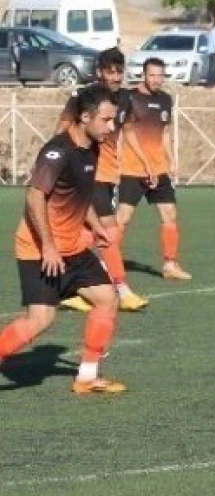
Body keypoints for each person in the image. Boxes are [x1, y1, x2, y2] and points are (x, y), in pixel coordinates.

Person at [0, 85, 126, 394]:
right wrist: (48, 246)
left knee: (107, 299)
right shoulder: (58, 151)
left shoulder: (92, 148)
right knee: (39, 320)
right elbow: (34, 196)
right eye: (106, 120)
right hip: (41, 250)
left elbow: (79, 196)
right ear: (85, 117)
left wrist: (95, 225)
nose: (111, 127)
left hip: (73, 247)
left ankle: (86, 377)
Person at [55, 49, 148, 313]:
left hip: (108, 174)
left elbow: (127, 132)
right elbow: (61, 129)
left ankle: (67, 289)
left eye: (120, 71)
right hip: (86, 173)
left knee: (83, 234)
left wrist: (143, 161)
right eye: (111, 71)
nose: (116, 76)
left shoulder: (125, 99)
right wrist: (56, 163)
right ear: (99, 72)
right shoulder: (85, 98)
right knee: (108, 231)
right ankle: (122, 289)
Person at [116, 58, 192, 281]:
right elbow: (128, 133)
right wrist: (145, 163)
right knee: (124, 217)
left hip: (159, 170)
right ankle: (107, 262)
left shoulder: (166, 99)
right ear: (144, 75)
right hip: (133, 169)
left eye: (160, 75)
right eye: (152, 75)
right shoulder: (129, 97)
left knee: (169, 213)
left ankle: (170, 264)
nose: (157, 80)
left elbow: (165, 133)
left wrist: (171, 160)